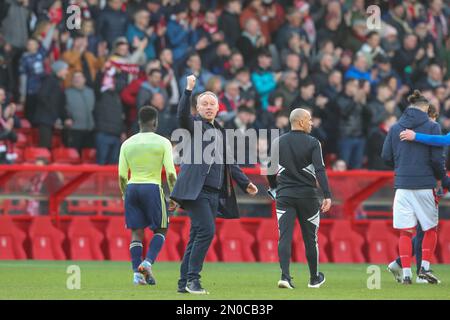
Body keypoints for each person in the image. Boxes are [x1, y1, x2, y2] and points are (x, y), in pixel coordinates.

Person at [170, 75, 258, 294]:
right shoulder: (194, 126)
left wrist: (245, 183)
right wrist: (188, 90)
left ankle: (183, 283)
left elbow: (229, 162)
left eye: (212, 104)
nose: (208, 107)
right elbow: (182, 116)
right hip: (195, 191)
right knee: (207, 231)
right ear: (197, 109)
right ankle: (193, 280)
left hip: (213, 193)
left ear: (218, 108)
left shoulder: (218, 132)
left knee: (196, 235)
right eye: (204, 104)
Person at [381, 90, 445, 284]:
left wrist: (402, 168)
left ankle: (406, 274)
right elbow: (436, 159)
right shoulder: (433, 127)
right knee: (430, 228)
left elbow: (385, 157)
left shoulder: (394, 128)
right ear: (425, 108)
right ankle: (424, 270)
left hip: (402, 186)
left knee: (405, 232)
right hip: (425, 185)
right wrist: (440, 178)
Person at [267, 108, 332, 289]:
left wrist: (274, 188)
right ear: (302, 122)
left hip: (285, 195)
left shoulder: (278, 142)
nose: (311, 123)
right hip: (308, 197)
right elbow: (320, 170)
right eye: (309, 120)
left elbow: (270, 170)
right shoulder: (313, 142)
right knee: (310, 238)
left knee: (284, 237)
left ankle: (285, 277)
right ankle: (314, 278)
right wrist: (327, 195)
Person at [118, 106, 177, 286]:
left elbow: (121, 175)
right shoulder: (163, 142)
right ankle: (148, 262)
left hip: (132, 188)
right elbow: (171, 173)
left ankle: (137, 274)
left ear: (139, 122)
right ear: (155, 122)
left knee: (136, 232)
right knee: (162, 228)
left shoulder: (127, 143)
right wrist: (174, 195)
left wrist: (123, 193)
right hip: (152, 187)